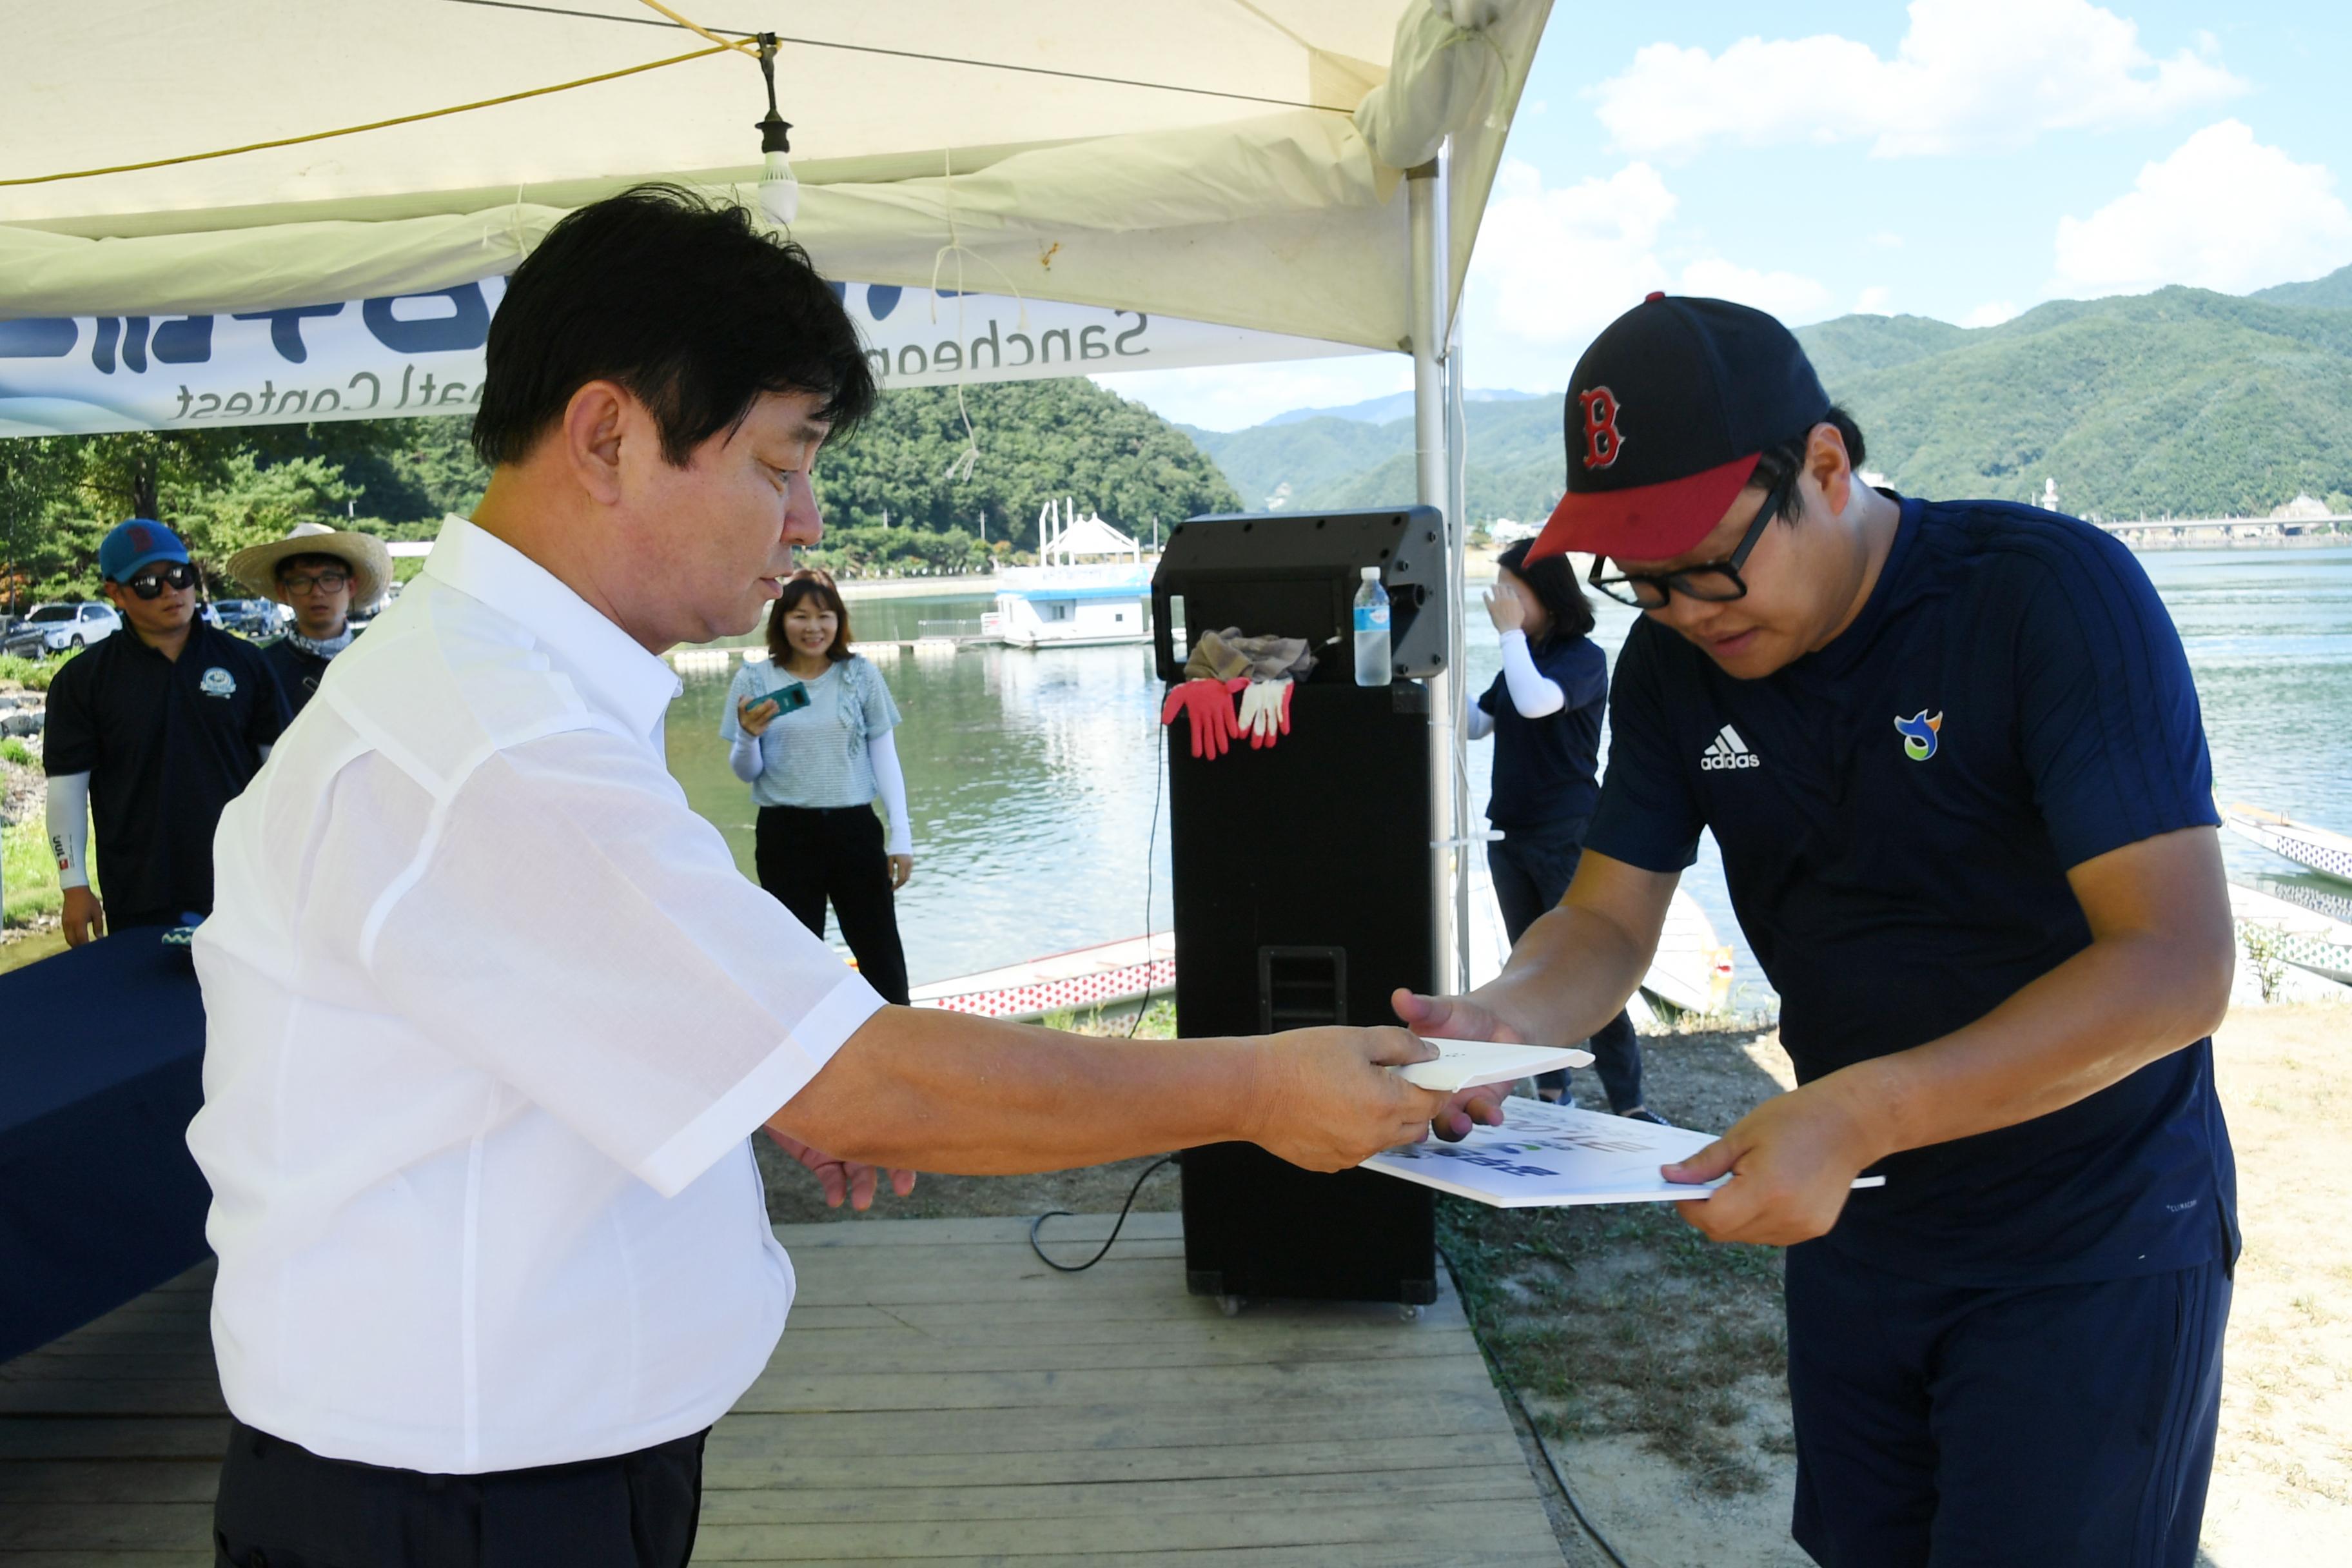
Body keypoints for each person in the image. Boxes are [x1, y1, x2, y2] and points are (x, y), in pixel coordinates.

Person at [187, 186, 1448, 1568]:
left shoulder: (490, 696)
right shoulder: (497, 745)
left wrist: (743, 1071)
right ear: (609, 435)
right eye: (781, 463)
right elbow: (869, 1084)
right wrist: (1262, 1090)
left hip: (499, 1476)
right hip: (462, 1509)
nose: (809, 517)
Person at [1404, 294, 2236, 1568]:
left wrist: (1862, 1112)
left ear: (1827, 468)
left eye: (1705, 562)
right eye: (1643, 580)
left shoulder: (2045, 597)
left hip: (2093, 1221)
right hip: (1859, 1215)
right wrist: (1503, 1019)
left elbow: (2176, 964)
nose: (1683, 608)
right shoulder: (1677, 668)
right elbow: (1607, 917)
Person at [1471, 538, 1655, 1122]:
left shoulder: (1581, 656)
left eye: (1511, 588)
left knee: (1588, 973)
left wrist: (1505, 637)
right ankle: (1552, 1093)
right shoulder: (1521, 654)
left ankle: (1629, 1102)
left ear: (1545, 593)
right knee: (1530, 975)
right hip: (1511, 834)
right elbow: (1478, 723)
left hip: (1565, 833)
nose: (1500, 600)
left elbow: (1534, 704)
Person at [42, 520, 289, 943]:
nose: (171, 591)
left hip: (244, 885)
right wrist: (74, 885)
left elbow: (285, 775)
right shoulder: (83, 680)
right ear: (115, 593)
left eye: (180, 575)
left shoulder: (246, 663)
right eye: (147, 583)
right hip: (138, 892)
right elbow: (66, 789)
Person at [722, 570, 914, 1004]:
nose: (813, 628)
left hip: (854, 830)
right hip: (785, 833)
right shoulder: (754, 680)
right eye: (801, 616)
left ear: (839, 620)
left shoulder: (859, 676)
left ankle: (898, 1050)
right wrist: (748, 735)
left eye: (824, 616)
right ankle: (803, 1054)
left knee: (880, 953)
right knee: (794, 957)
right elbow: (746, 772)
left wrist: (902, 836)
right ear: (781, 620)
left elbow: (885, 757)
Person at [227, 520, 395, 716]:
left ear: (351, 586)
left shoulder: (377, 661)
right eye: (301, 581)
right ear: (283, 591)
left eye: (329, 579)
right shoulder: (263, 670)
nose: (317, 592)